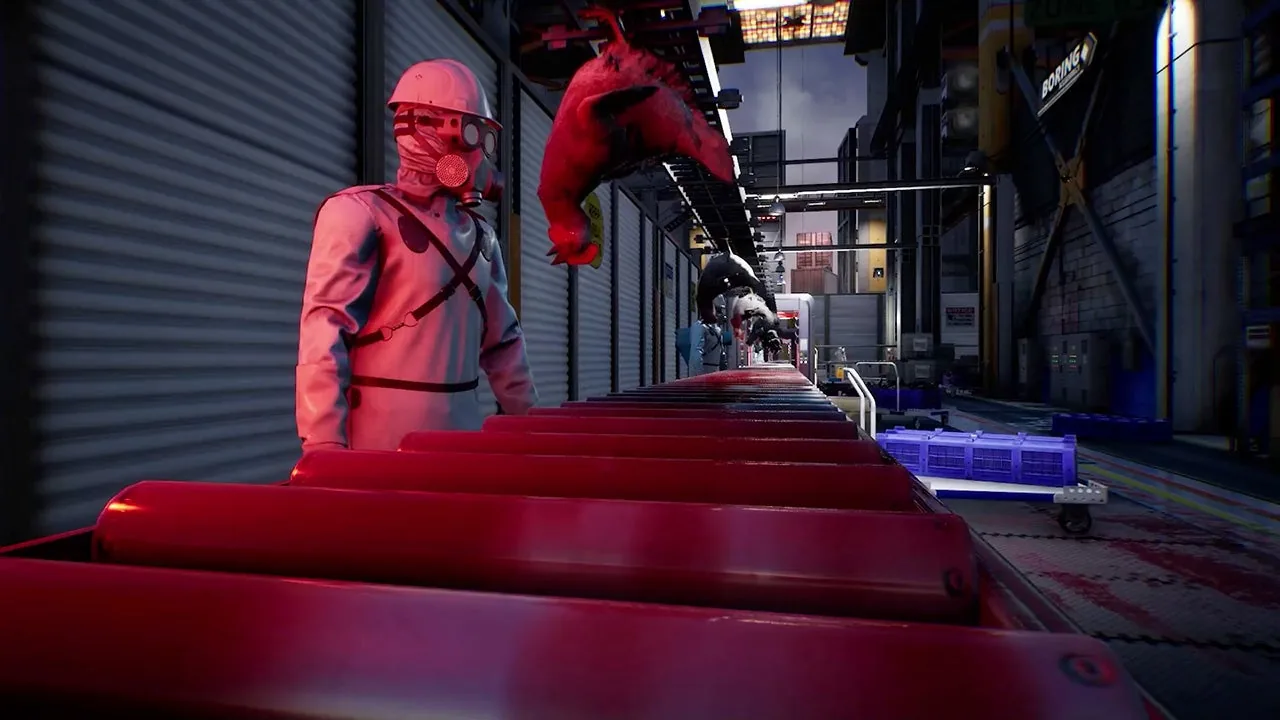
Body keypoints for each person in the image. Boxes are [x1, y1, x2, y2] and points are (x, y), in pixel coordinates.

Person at [295, 59, 537, 452]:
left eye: (484, 139)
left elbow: (504, 343)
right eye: (468, 134)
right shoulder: (361, 213)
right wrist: (323, 443)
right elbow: (325, 331)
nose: (478, 156)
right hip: (381, 444)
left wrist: (531, 429)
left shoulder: (481, 236)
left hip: (462, 440)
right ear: (419, 127)